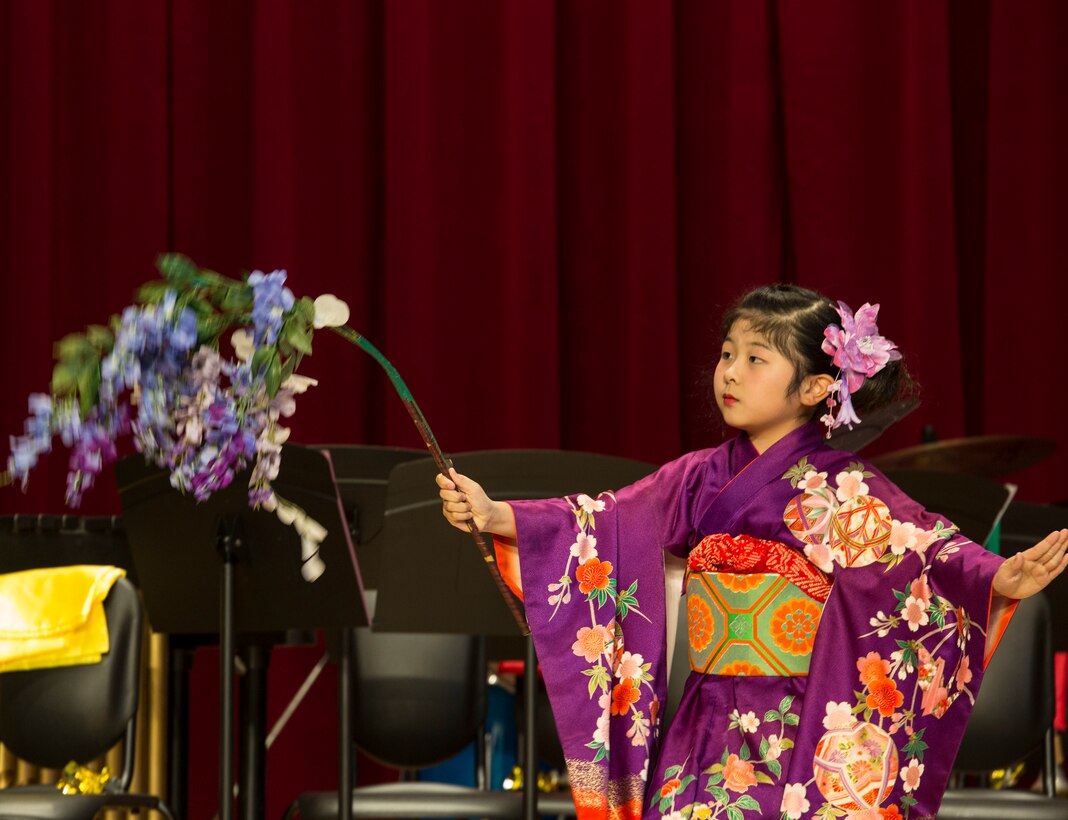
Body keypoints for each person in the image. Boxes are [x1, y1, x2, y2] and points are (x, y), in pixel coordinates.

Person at [437, 284, 1068, 820]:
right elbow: (602, 522)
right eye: (725, 354)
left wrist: (997, 578)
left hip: (798, 727)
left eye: (755, 359)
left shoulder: (840, 490)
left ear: (820, 386)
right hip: (703, 724)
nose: (730, 372)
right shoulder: (694, 479)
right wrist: (500, 516)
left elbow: (920, 548)